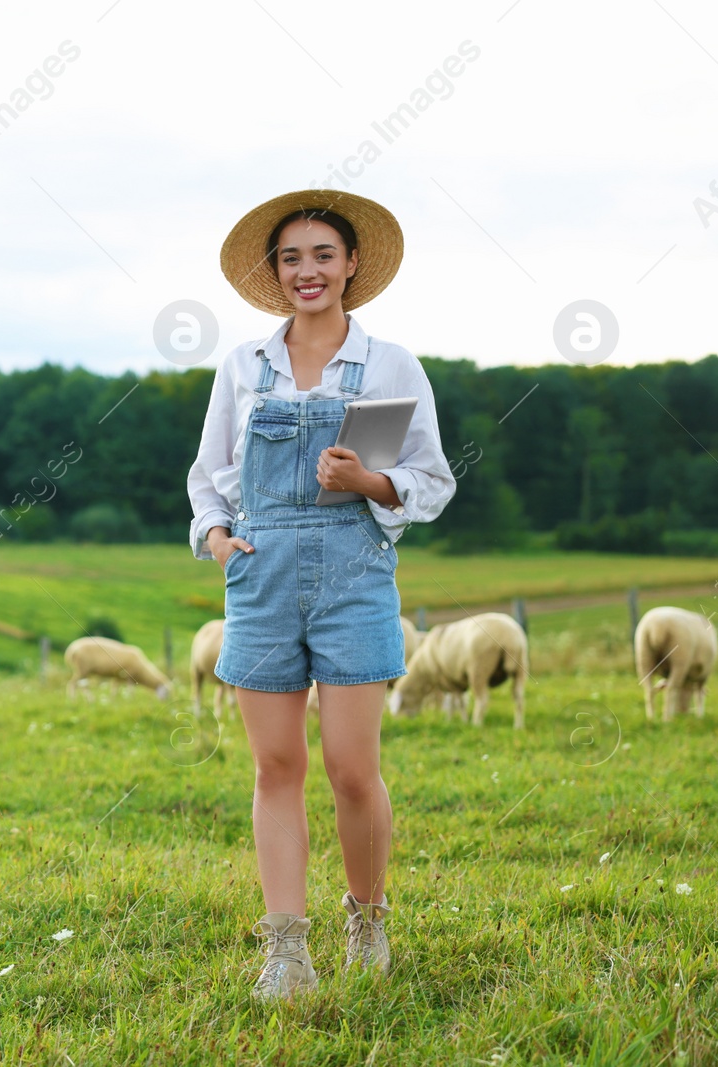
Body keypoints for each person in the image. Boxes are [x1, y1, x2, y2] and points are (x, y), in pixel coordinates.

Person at [186, 190, 456, 1000]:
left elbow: (434, 479)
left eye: (323, 256)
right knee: (275, 764)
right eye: (292, 258)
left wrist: (367, 479)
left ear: (352, 266)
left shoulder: (389, 364)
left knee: (349, 767)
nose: (309, 271)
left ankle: (366, 916)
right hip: (261, 576)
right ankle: (286, 948)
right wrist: (217, 538)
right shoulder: (243, 366)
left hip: (355, 573)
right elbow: (208, 481)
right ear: (275, 273)